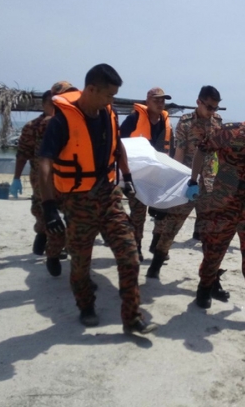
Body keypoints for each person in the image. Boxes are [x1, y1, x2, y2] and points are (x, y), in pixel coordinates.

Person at [38, 63, 156, 334]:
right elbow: (45, 162)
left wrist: (127, 177)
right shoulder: (62, 121)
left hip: (108, 195)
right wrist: (49, 207)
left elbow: (118, 147)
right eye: (108, 95)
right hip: (78, 202)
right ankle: (86, 306)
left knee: (130, 256)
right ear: (91, 89)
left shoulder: (109, 114)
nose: (111, 100)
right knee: (81, 263)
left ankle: (132, 317)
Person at [186, 104, 245, 334]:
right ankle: (205, 287)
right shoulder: (229, 132)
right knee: (214, 252)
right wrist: (193, 181)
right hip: (223, 206)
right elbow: (202, 151)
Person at [146, 85, 222, 279]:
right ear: (198, 102)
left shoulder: (218, 121)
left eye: (215, 107)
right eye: (209, 107)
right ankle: (156, 265)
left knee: (210, 231)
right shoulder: (186, 122)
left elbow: (219, 154)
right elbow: (179, 153)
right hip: (188, 181)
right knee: (172, 226)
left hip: (209, 184)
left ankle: (210, 277)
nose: (212, 111)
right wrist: (176, 181)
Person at [11, 82, 77, 276]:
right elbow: (23, 154)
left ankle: (50, 243)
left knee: (65, 216)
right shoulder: (36, 126)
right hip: (43, 177)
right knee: (47, 214)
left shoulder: (73, 121)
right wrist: (16, 178)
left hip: (68, 178)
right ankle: (50, 247)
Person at [120, 87, 174, 262]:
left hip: (158, 174)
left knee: (163, 210)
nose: (160, 103)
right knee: (138, 214)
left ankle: (156, 245)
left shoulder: (166, 123)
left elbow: (171, 149)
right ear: (147, 102)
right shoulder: (133, 119)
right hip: (137, 175)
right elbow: (118, 144)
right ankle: (136, 248)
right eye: (156, 100)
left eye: (162, 100)